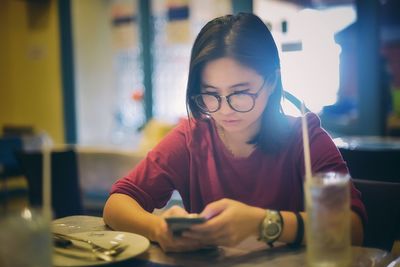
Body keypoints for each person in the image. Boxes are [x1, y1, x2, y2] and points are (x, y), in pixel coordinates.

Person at [103, 13, 366, 252]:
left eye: (240, 93)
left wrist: (262, 222)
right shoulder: (191, 138)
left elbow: (353, 229)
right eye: (211, 94)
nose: (225, 109)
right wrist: (157, 229)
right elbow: (117, 204)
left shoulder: (306, 139)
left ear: (272, 81)